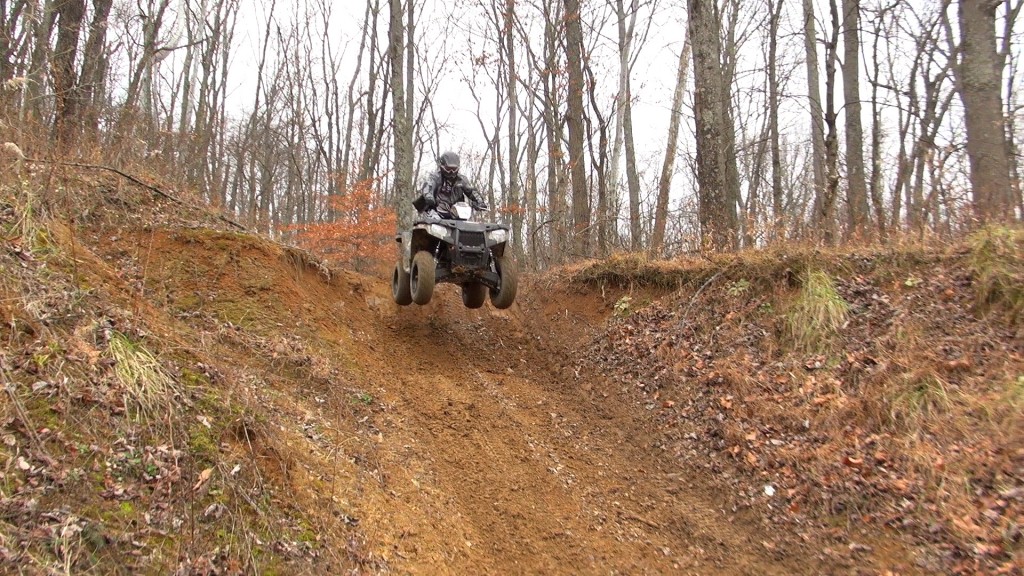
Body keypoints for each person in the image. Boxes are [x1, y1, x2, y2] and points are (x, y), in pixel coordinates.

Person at [414, 151, 488, 218]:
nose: (451, 172)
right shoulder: (435, 177)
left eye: (454, 169)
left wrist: (480, 202)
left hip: (456, 212)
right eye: (448, 169)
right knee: (433, 221)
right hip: (437, 210)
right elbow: (429, 186)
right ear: (442, 166)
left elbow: (471, 191)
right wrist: (428, 196)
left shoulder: (461, 180)